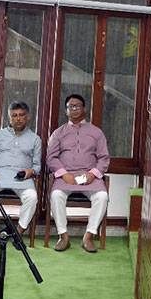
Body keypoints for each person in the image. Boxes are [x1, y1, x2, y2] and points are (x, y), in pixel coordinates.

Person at [46, 94, 109, 253]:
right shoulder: (58, 133)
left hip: (90, 177)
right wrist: (63, 174)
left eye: (77, 106)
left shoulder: (96, 132)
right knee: (56, 195)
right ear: (66, 111)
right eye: (70, 107)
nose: (74, 109)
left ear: (84, 109)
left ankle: (88, 236)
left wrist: (93, 174)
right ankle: (63, 236)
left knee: (102, 197)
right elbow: (51, 158)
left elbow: (104, 158)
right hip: (66, 176)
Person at [0, 101, 41, 249]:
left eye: (21, 115)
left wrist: (31, 171)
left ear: (27, 117)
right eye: (14, 116)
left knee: (32, 197)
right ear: (9, 118)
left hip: (21, 177)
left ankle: (17, 234)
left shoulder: (35, 139)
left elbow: (37, 166)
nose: (18, 119)